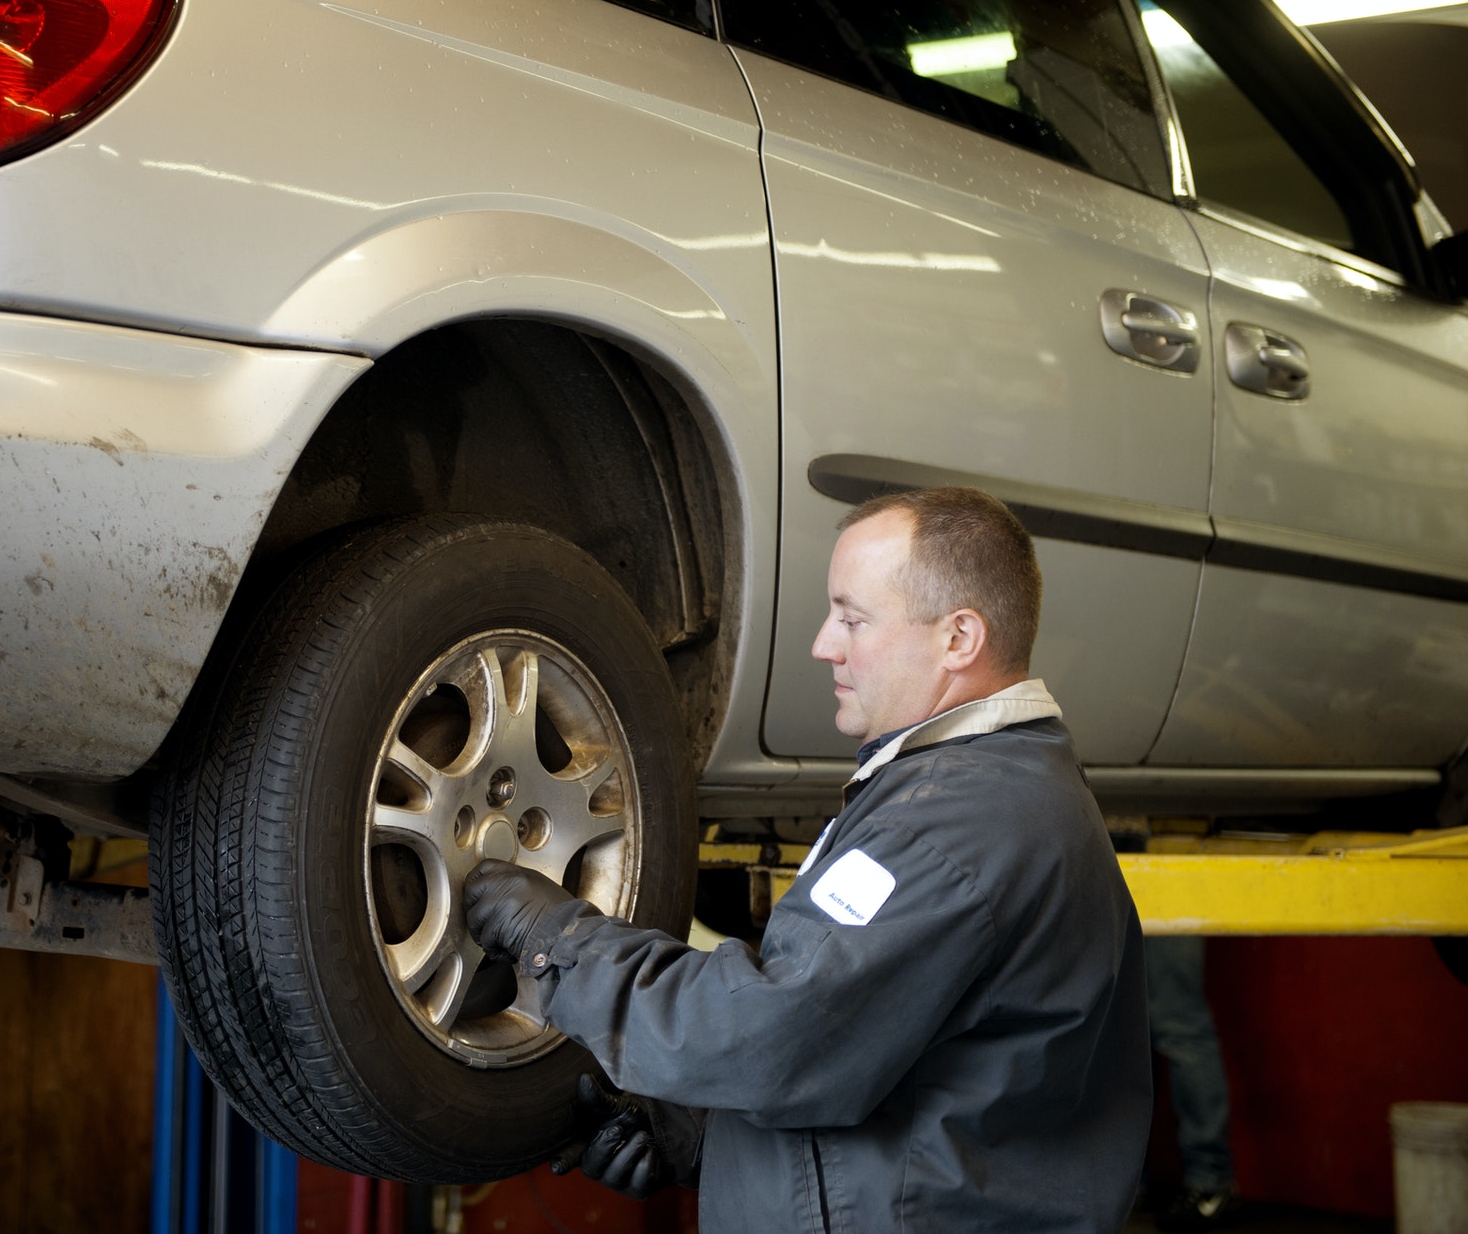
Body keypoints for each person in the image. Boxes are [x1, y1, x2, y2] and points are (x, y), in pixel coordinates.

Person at [465, 486, 1151, 1232]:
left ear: (959, 639)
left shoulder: (959, 821)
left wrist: (555, 944)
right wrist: (708, 1139)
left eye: (853, 618)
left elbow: (777, 1036)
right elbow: (888, 1058)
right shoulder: (987, 789)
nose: (826, 643)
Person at [1146, 935, 1245, 1231]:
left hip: (1166, 892)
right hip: (1126, 892)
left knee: (1179, 1023)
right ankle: (1125, 1179)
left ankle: (1210, 1182)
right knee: (1128, 1028)